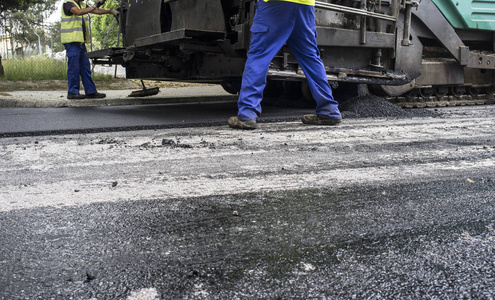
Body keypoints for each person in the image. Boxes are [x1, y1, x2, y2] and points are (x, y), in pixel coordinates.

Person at [228, 0, 342, 130]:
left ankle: (247, 113)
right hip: (305, 5)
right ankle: (328, 110)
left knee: (259, 55)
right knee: (310, 57)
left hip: (275, 4)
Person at [61, 0, 118, 99]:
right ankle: (72, 92)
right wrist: (94, 6)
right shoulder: (68, 3)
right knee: (74, 68)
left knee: (85, 68)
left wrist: (110, 11)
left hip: (80, 42)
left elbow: (95, 11)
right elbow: (78, 12)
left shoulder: (82, 5)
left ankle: (90, 91)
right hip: (72, 42)